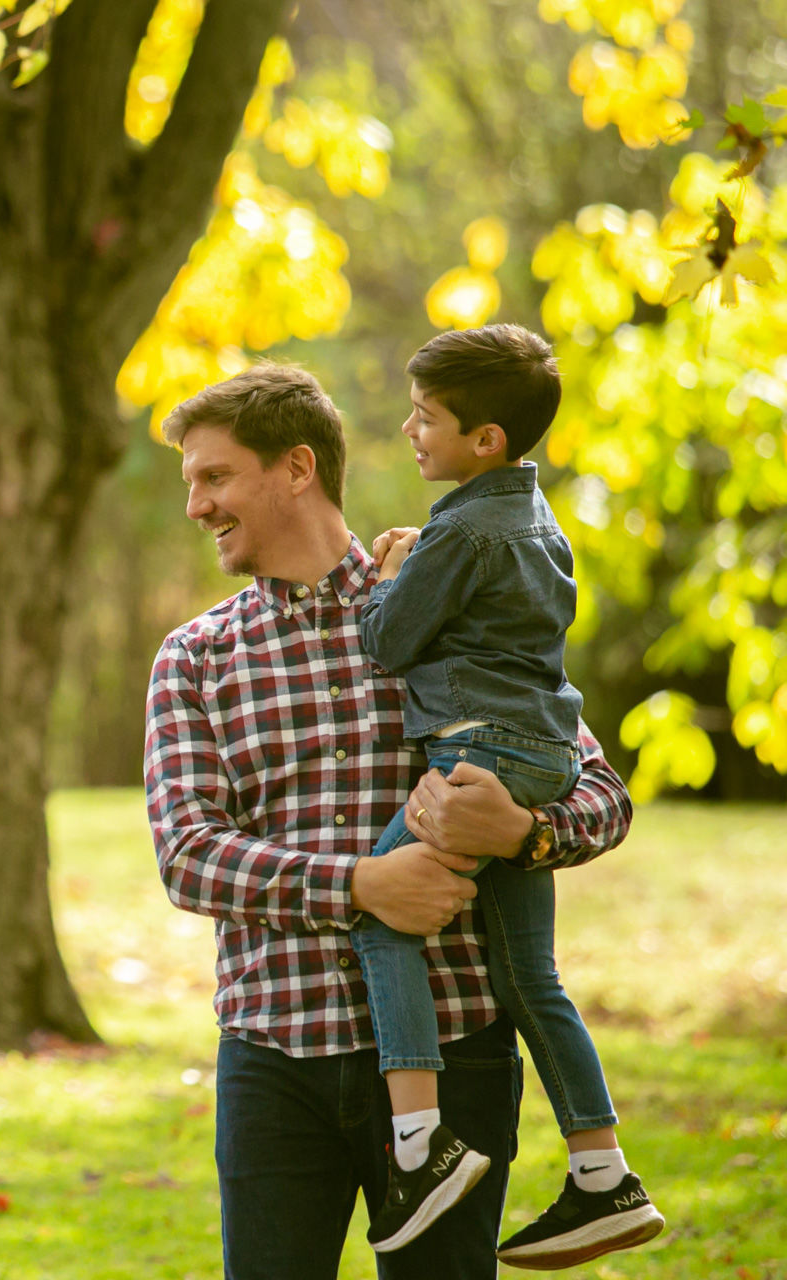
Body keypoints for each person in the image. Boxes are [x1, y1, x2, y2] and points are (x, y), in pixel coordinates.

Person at [144, 363, 634, 1280]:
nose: (196, 506)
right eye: (191, 485)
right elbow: (188, 858)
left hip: (457, 1048)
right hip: (273, 1054)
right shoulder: (195, 659)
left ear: (296, 468)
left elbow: (601, 793)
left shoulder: (444, 596)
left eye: (214, 478)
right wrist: (362, 885)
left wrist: (522, 834)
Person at [350, 325, 662, 1265]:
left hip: (470, 756)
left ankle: (422, 1146)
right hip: (541, 759)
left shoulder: (460, 529)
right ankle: (604, 1177)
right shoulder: (536, 520)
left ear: (485, 439)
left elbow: (387, 641)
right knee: (531, 977)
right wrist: (427, 558)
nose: (411, 429)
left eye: (427, 417)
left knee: (379, 909)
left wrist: (397, 571)